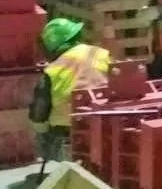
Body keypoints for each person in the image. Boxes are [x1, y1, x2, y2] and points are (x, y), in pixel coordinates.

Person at [29, 17, 112, 165]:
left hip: (69, 134)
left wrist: (41, 128)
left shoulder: (52, 71)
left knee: (39, 128)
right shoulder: (101, 53)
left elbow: (39, 113)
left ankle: (60, 161)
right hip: (106, 124)